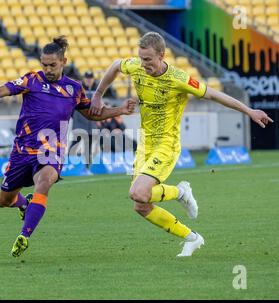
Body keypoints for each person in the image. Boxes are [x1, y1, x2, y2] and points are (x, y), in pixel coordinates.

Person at [90, 32, 273, 257]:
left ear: (161, 55)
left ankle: (180, 192)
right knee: (141, 204)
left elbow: (214, 95)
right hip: (146, 142)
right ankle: (192, 237)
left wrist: (249, 111)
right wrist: (98, 94)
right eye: (140, 58)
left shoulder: (179, 78)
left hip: (167, 144)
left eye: (148, 59)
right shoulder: (136, 67)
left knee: (137, 192)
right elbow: (116, 65)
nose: (143, 63)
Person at [0, 36, 136, 258]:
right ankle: (24, 204)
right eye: (44, 64)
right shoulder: (31, 81)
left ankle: (24, 235)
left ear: (63, 61)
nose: (48, 69)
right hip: (22, 152)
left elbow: (91, 113)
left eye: (53, 65)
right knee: (5, 201)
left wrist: (120, 110)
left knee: (45, 181)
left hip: (51, 151)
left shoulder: (74, 89)